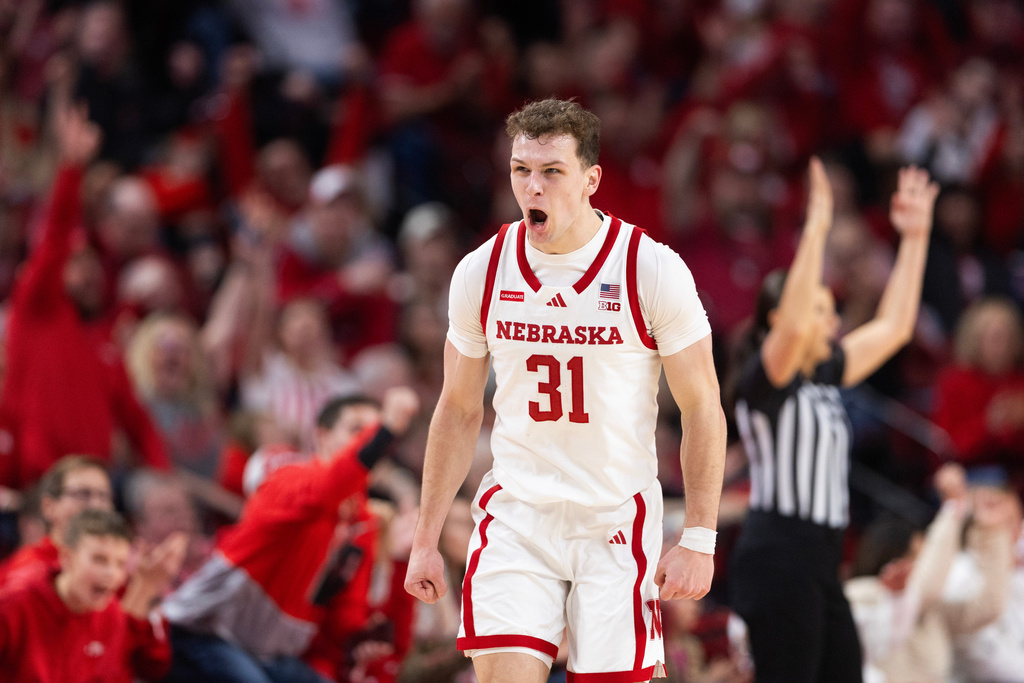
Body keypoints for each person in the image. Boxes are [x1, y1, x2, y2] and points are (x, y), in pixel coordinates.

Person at [404, 98, 727, 683]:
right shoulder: (481, 271)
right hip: (518, 516)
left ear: (590, 180)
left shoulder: (649, 268)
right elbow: (455, 408)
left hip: (613, 519)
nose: (534, 186)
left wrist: (699, 537)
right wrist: (426, 538)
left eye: (552, 171)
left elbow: (703, 406)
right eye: (521, 170)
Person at [727, 159, 939, 683]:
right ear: (781, 322)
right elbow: (796, 319)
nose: (834, 320)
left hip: (820, 557)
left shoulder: (825, 374)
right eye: (823, 310)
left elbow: (894, 326)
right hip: (779, 553)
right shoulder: (764, 381)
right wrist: (817, 228)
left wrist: (915, 237)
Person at [161, 387, 419, 683]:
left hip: (269, 654)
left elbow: (345, 617)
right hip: (204, 631)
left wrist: (363, 638)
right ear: (321, 436)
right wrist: (386, 429)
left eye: (374, 434)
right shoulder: (290, 478)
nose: (369, 442)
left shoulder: (363, 523)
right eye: (357, 429)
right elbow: (329, 487)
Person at [0, 507, 183, 683]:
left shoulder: (112, 615)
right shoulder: (14, 603)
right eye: (100, 559)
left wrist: (147, 588)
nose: (112, 574)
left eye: (120, 563)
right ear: (66, 558)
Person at [0, 455, 114, 587]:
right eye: (83, 494)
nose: (96, 505)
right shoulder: (26, 572)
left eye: (103, 496)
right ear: (49, 506)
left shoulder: (119, 567)